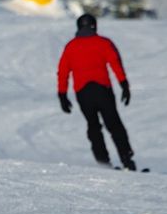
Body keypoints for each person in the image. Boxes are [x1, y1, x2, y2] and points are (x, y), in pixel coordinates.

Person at [57, 13, 137, 170]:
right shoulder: (104, 43)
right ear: (95, 25)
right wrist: (124, 85)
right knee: (114, 125)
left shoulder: (71, 46)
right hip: (103, 90)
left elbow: (63, 72)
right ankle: (127, 161)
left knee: (93, 126)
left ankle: (103, 162)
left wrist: (62, 95)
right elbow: (116, 63)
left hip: (83, 93)